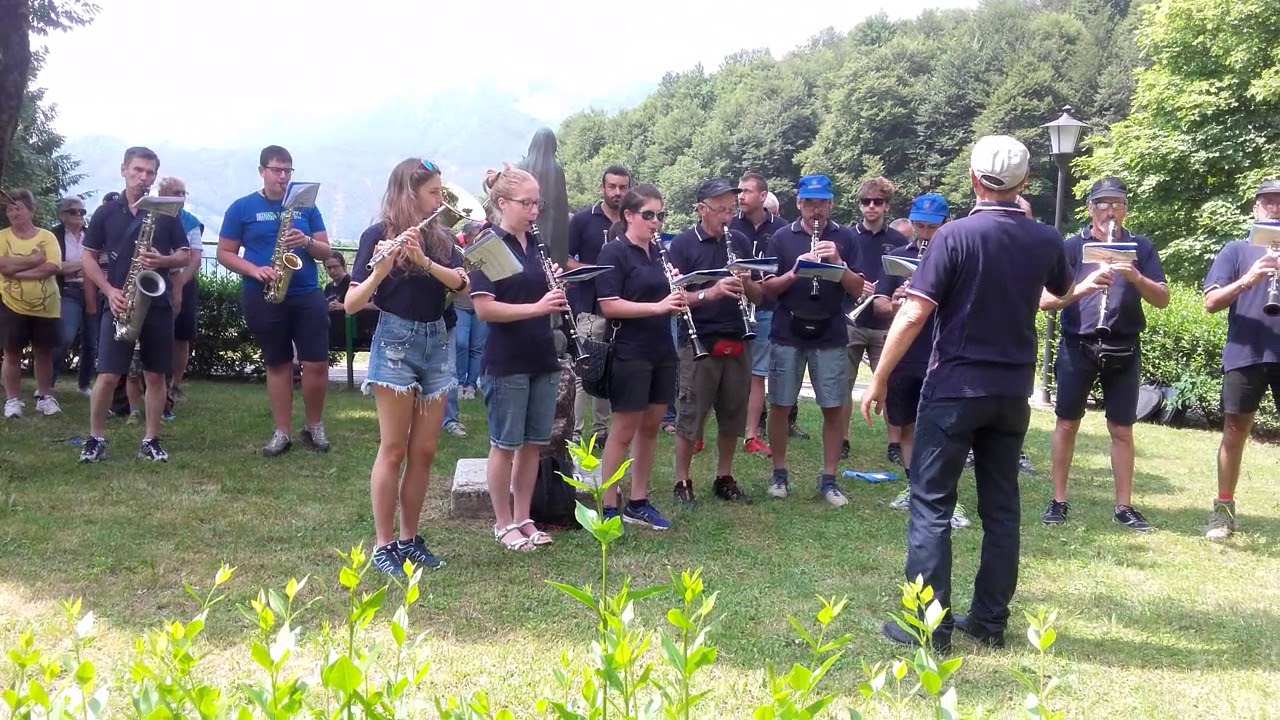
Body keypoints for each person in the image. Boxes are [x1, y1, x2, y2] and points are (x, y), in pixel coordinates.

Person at [861, 135, 1072, 651]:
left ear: (974, 179)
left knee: (931, 505)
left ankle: (929, 629)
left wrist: (880, 377)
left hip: (955, 387)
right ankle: (990, 622)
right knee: (1002, 509)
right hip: (1011, 391)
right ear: (1025, 183)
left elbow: (912, 312)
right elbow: (1062, 292)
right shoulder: (1047, 239)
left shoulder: (952, 236)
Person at [345, 157, 470, 577]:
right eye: (434, 192)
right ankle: (383, 546)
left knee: (425, 450)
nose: (442, 199)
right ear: (410, 193)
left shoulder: (441, 238)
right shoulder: (375, 235)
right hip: (395, 341)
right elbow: (351, 303)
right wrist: (381, 268)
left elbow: (461, 284)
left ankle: (408, 539)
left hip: (436, 340)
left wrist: (423, 260)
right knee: (394, 448)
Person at [1038, 177, 1169, 532]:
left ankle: (1124, 507)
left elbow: (1161, 299)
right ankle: (1058, 500)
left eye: (1117, 204)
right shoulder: (1070, 246)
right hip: (1077, 345)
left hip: (1124, 346)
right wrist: (1082, 288)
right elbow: (1044, 301)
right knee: (1066, 423)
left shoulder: (1139, 246)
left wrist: (1135, 276)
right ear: (1090, 208)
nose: (1110, 211)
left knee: (1122, 429)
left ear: (1125, 208)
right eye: (1102, 204)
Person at [470, 164, 566, 551]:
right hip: (506, 358)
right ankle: (502, 522)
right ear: (502, 202)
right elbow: (485, 310)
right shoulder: (487, 245)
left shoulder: (535, 245)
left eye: (536, 203)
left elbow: (539, 295)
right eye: (526, 203)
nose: (533, 210)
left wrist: (556, 284)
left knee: (533, 444)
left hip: (542, 354)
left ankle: (524, 517)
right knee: (505, 444)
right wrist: (539, 305)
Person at [216, 145, 336, 457]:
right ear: (262, 171)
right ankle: (282, 431)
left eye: (288, 171)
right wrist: (255, 270)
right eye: (276, 170)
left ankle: (314, 426)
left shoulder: (306, 206)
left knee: (316, 363)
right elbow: (224, 253)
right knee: (278, 362)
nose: (283, 177)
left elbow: (326, 252)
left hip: (306, 291)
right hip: (264, 292)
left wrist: (307, 241)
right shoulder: (242, 207)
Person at [78, 147, 192, 461]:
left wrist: (164, 259)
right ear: (124, 169)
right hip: (119, 302)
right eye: (138, 170)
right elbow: (87, 255)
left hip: (156, 303)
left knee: (156, 375)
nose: (143, 177)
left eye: (150, 172)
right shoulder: (106, 212)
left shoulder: (166, 211)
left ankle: (151, 439)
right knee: (108, 375)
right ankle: (96, 437)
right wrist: (109, 290)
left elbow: (185, 254)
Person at [762, 174, 866, 505]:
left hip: (831, 331)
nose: (815, 210)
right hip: (788, 330)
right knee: (780, 404)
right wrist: (795, 271)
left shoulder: (845, 237)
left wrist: (838, 262)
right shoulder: (781, 237)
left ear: (831, 204)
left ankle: (830, 478)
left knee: (833, 406)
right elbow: (767, 289)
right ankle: (779, 474)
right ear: (799, 203)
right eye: (809, 202)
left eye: (821, 202)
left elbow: (857, 288)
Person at [595, 184, 686, 529]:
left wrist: (680, 295)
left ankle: (638, 500)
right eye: (648, 215)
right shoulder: (614, 253)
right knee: (623, 429)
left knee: (650, 427)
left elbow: (669, 300)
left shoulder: (660, 253)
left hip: (661, 347)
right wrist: (658, 306)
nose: (656, 222)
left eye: (660, 215)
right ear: (629, 216)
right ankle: (608, 505)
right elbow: (609, 305)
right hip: (629, 349)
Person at [877, 194, 970, 529]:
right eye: (919, 225)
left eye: (931, 226)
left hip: (943, 353)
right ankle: (913, 486)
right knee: (904, 424)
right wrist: (897, 300)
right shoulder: (897, 257)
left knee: (944, 428)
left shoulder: (958, 258)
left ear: (945, 223)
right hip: (906, 353)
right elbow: (879, 306)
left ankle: (949, 498)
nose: (924, 232)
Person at [667, 178, 761, 504]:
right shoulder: (681, 245)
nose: (727, 216)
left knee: (733, 412)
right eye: (720, 209)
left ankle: (724, 476)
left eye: (731, 209)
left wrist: (747, 283)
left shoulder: (740, 241)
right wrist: (713, 291)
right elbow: (674, 298)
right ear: (701, 208)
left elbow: (760, 295)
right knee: (691, 412)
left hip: (737, 334)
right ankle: (682, 480)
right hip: (699, 340)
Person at [1201, 178, 1280, 540]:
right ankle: (1223, 512)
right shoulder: (1235, 250)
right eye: (1267, 202)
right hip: (1245, 352)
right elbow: (1211, 304)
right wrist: (1249, 279)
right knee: (1234, 432)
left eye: (1279, 203)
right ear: (1255, 209)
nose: (1274, 208)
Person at [840, 177, 909, 463]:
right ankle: (841, 439)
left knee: (891, 384)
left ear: (886, 206)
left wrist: (890, 292)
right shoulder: (846, 237)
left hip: (886, 324)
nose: (871, 207)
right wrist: (855, 284)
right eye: (865, 202)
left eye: (877, 202)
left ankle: (894, 443)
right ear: (859, 205)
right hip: (851, 319)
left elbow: (905, 277)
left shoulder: (898, 241)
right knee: (843, 383)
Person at [567, 165, 631, 444]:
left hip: (621, 309)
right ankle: (574, 431)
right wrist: (593, 270)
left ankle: (602, 432)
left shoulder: (633, 220)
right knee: (583, 372)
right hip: (589, 307)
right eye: (612, 186)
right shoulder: (582, 220)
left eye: (623, 187)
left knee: (608, 372)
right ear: (602, 188)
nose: (617, 192)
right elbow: (563, 259)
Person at [732, 172, 787, 457]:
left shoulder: (781, 229)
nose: (740, 195)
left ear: (763, 195)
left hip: (766, 308)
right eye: (739, 191)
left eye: (747, 191)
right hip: (731, 308)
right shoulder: (729, 225)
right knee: (721, 370)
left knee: (757, 374)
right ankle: (701, 434)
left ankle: (751, 434)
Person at [1, 188, 63, 418]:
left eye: (18, 208)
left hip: (46, 306)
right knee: (11, 352)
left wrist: (18, 272)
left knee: (43, 352)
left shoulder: (47, 237)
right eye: (9, 209)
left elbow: (52, 267)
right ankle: (13, 400)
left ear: (31, 210)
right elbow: (2, 266)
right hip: (11, 303)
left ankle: (45, 397)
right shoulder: (2, 237)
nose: (13, 213)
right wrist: (34, 259)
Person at [160, 176, 203, 405]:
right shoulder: (154, 215)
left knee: (181, 336)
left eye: (183, 193)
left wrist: (179, 283)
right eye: (176, 192)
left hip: (183, 282)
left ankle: (175, 384)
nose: (180, 197)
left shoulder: (191, 222)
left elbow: (195, 258)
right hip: (156, 281)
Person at [52, 195, 97, 395]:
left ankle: (84, 384)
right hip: (67, 291)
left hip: (93, 291)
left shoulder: (91, 235)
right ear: (63, 215)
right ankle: (48, 382)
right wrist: (85, 264)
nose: (79, 215)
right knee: (65, 337)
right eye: (73, 211)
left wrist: (79, 267)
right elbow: (54, 266)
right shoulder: (54, 236)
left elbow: (101, 260)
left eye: (82, 211)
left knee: (91, 341)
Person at [453, 221, 488, 400]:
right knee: (461, 344)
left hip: (480, 306)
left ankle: (471, 384)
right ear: (466, 237)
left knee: (477, 348)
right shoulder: (459, 253)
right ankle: (459, 382)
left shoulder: (488, 254)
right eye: (475, 235)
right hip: (461, 305)